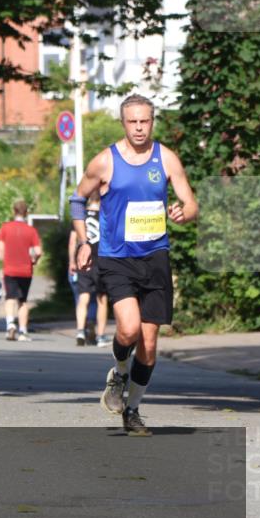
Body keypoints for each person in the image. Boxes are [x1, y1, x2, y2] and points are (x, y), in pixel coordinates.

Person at [72, 93, 197, 436]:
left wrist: (183, 213)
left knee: (150, 345)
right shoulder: (105, 161)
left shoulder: (166, 158)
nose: (139, 128)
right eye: (133, 122)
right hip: (117, 258)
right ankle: (118, 374)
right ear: (123, 123)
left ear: (152, 121)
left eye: (145, 121)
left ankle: (133, 410)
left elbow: (190, 203)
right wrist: (83, 241)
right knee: (128, 329)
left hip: (155, 257)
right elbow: (77, 199)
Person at [0, 200, 42, 341]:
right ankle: (23, 331)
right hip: (26, 270)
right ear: (26, 213)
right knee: (23, 301)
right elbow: (38, 251)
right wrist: (34, 261)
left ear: (14, 211)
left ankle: (10, 324)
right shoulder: (31, 231)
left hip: (10, 270)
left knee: (10, 298)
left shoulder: (5, 228)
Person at [68, 194, 110, 347]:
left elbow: (72, 241)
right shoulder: (106, 214)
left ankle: (80, 331)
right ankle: (101, 336)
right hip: (102, 260)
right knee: (102, 299)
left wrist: (72, 261)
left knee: (83, 297)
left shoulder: (81, 216)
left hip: (83, 259)